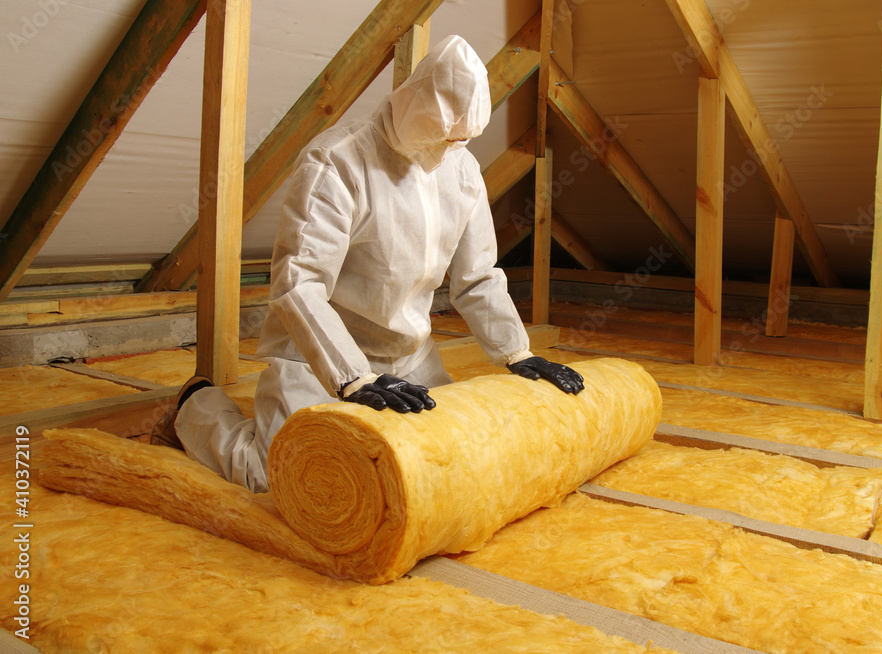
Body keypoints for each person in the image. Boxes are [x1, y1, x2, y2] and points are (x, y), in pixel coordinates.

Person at [150, 35, 584, 492]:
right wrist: (351, 377)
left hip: (409, 356)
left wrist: (517, 352)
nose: (451, 148)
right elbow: (300, 283)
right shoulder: (337, 161)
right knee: (280, 476)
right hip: (319, 356)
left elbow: (476, 278)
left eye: (461, 139)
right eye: (445, 136)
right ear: (417, 109)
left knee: (448, 460)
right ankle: (195, 404)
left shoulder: (461, 169)